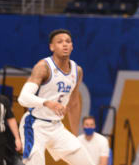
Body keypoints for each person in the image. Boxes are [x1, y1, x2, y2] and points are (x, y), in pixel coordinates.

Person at [17, 28, 95, 165]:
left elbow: (74, 103)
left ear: (72, 46)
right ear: (51, 47)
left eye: (68, 41)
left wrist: (75, 135)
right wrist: (47, 103)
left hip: (56, 126)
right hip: (35, 124)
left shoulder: (77, 71)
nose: (64, 44)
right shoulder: (43, 67)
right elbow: (23, 98)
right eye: (59, 42)